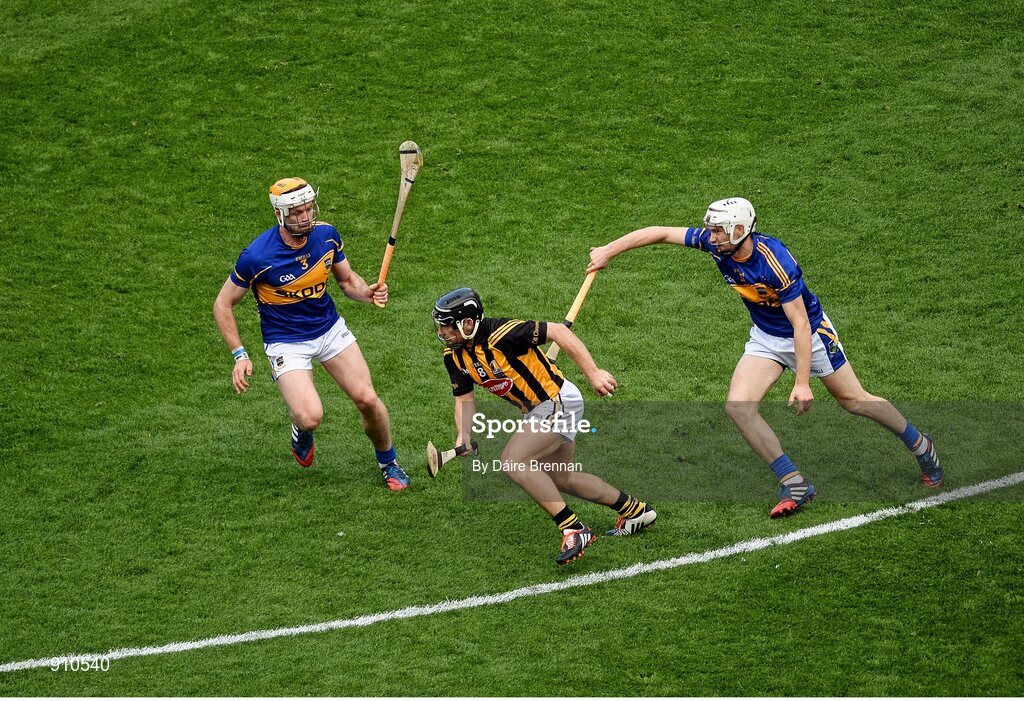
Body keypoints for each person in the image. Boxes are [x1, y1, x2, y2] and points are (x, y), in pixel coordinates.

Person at [587, 197, 943, 518]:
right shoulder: (716, 245)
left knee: (854, 401)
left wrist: (802, 383)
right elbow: (661, 232)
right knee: (738, 407)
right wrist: (609, 251)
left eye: (718, 231)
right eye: (710, 229)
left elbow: (800, 324)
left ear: (739, 230)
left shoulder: (775, 262)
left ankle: (920, 444)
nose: (710, 236)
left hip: (810, 336)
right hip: (767, 337)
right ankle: (795, 483)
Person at [432, 287, 657, 565]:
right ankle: (636, 511)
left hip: (557, 400)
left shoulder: (503, 334)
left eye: (446, 326)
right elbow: (464, 398)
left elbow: (559, 332)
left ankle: (574, 529)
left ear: (468, 323)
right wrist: (463, 434)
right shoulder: (453, 357)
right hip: (537, 410)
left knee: (513, 461)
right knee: (561, 478)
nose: (441, 332)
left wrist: (594, 373)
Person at [213, 177, 409, 491]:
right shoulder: (257, 257)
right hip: (286, 342)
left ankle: (389, 463)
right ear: (279, 215)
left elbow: (347, 280)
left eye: (308, 209)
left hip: (329, 329)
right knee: (310, 417)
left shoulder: (326, 235)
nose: (305, 217)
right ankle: (299, 428)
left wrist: (366, 292)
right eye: (297, 213)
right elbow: (223, 304)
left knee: (368, 400)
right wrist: (240, 354)